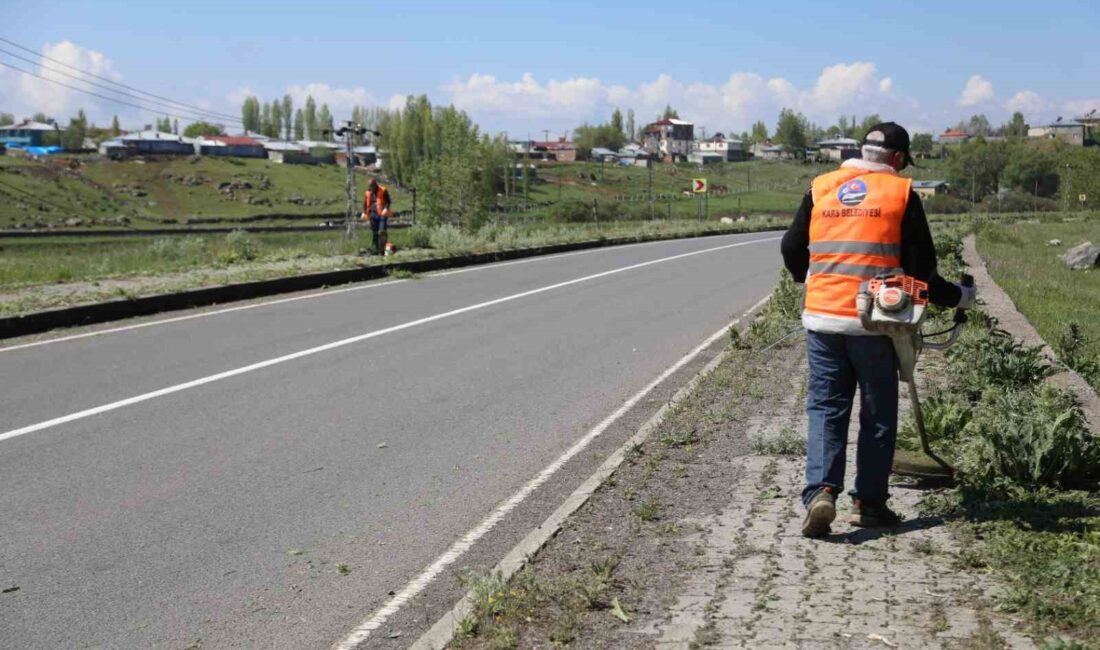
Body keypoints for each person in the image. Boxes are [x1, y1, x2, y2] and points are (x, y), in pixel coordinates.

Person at [780, 122, 975, 538]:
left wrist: (809, 277)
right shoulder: (901, 195)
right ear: (899, 158)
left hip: (823, 319)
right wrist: (960, 297)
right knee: (877, 414)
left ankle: (820, 492)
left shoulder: (821, 188)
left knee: (826, 409)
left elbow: (791, 249)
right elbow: (922, 275)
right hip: (876, 324)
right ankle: (869, 504)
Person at [363, 179, 392, 255]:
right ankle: (375, 249)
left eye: (372, 187)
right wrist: (364, 213)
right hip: (373, 214)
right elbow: (365, 204)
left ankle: (382, 251)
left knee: (382, 232)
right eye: (370, 187)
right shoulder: (368, 193)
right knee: (375, 232)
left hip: (382, 214)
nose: (371, 188)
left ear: (376, 185)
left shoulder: (383, 190)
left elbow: (388, 201)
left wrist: (386, 208)